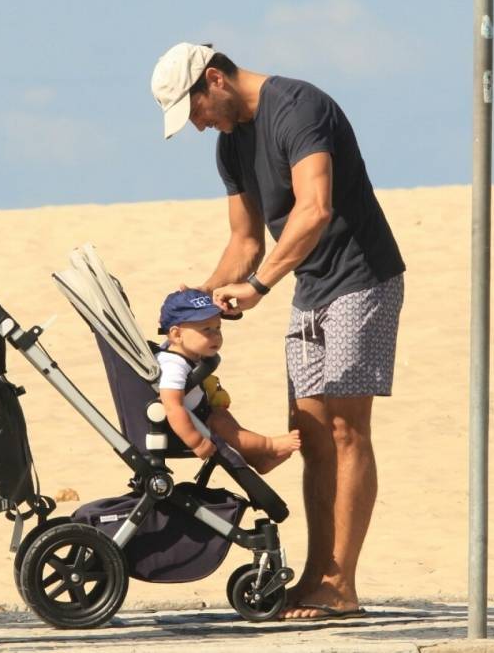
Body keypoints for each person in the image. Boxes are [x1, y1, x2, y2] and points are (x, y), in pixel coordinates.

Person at [150, 43, 406, 621]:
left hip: (362, 280)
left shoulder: (299, 107)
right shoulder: (230, 144)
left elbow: (315, 209)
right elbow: (245, 242)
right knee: (311, 435)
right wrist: (195, 305)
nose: (198, 125)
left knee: (345, 431)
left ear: (214, 79)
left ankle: (340, 584)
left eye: (195, 110)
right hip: (310, 287)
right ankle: (317, 577)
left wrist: (259, 286)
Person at [156, 289, 301, 473]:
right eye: (206, 329)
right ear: (177, 335)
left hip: (200, 413)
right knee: (226, 428)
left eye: (218, 328)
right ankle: (269, 446)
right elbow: (172, 406)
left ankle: (259, 460)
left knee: (224, 419)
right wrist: (196, 441)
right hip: (187, 426)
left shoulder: (184, 351)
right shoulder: (173, 366)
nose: (216, 335)